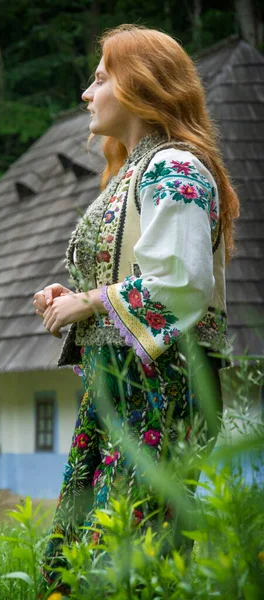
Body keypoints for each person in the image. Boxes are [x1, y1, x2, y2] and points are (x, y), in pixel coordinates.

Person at [33, 24, 239, 591]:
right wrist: (71, 299)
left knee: (129, 548)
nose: (86, 93)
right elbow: (133, 274)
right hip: (120, 386)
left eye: (99, 78)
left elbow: (181, 281)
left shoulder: (176, 166)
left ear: (137, 85)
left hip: (161, 388)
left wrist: (91, 302)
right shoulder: (130, 172)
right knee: (92, 542)